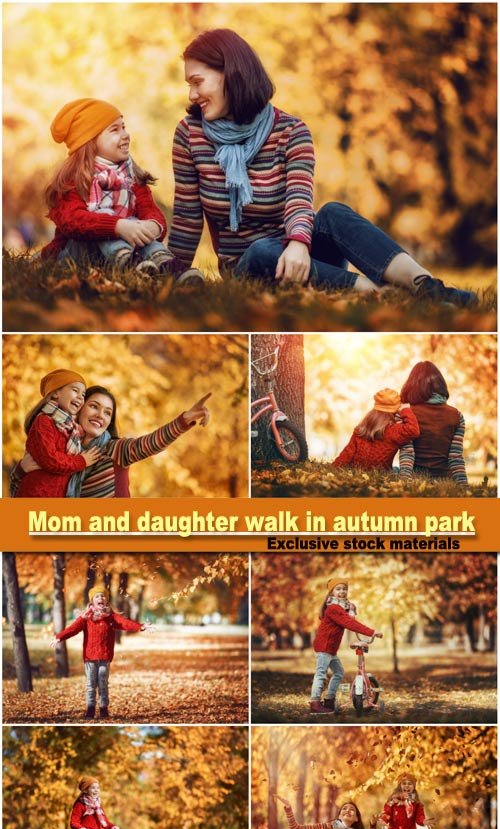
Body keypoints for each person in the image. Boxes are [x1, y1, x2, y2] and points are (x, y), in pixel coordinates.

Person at [168, 28, 476, 308]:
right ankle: (381, 296)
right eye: (189, 85)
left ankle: (430, 290)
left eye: (198, 82)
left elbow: (299, 200)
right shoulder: (189, 135)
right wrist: (172, 274)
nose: (192, 95)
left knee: (333, 213)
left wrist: (299, 242)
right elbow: (186, 216)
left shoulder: (291, 131)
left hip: (304, 256)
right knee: (262, 250)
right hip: (251, 265)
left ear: (231, 75)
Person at [13, 383, 211, 499]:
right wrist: (21, 469)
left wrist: (183, 420)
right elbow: (20, 492)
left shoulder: (114, 449)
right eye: (94, 406)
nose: (100, 415)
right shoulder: (61, 453)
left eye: (108, 413)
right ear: (79, 408)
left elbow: (149, 444)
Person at [42, 98, 172, 273]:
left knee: (135, 222)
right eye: (115, 130)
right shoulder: (73, 180)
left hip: (120, 253)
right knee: (105, 218)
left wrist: (152, 226)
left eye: (124, 127)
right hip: (77, 255)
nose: (126, 134)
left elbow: (150, 209)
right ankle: (131, 264)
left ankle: (167, 266)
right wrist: (117, 226)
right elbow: (72, 221)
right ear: (90, 141)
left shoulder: (131, 177)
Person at [55, 589, 147, 719]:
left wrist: (140, 626)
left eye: (103, 596)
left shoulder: (111, 617)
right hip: (90, 657)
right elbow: (73, 629)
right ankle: (90, 709)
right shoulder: (86, 617)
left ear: (106, 600)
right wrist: (59, 637)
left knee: (103, 683)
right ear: (92, 600)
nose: (101, 598)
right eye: (97, 596)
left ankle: (104, 709)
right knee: (91, 684)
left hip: (104, 656)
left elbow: (125, 623)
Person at [13, 369, 101, 497]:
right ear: (55, 393)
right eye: (75, 391)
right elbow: (51, 460)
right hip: (36, 495)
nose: (80, 398)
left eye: (83, 395)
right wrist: (82, 461)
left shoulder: (73, 429)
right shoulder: (43, 422)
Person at [310, 577, 381, 714]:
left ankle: (329, 700)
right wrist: (372, 632)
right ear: (331, 592)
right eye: (338, 589)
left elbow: (348, 619)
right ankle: (315, 703)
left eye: (344, 589)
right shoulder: (333, 608)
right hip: (324, 647)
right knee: (320, 674)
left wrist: (351, 610)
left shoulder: (341, 607)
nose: (342, 591)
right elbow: (350, 623)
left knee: (339, 672)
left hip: (330, 648)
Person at [398, 362, 469, 489]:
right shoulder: (457, 416)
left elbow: (407, 452)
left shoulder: (405, 414)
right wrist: (463, 486)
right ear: (441, 385)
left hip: (416, 478)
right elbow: (455, 456)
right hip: (445, 480)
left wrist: (404, 482)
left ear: (412, 385)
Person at [332, 391, 420, 474]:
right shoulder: (394, 430)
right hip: (381, 472)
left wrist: (334, 467)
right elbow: (413, 430)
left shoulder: (361, 428)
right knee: (396, 470)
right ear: (396, 412)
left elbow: (347, 453)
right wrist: (405, 409)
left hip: (358, 469)